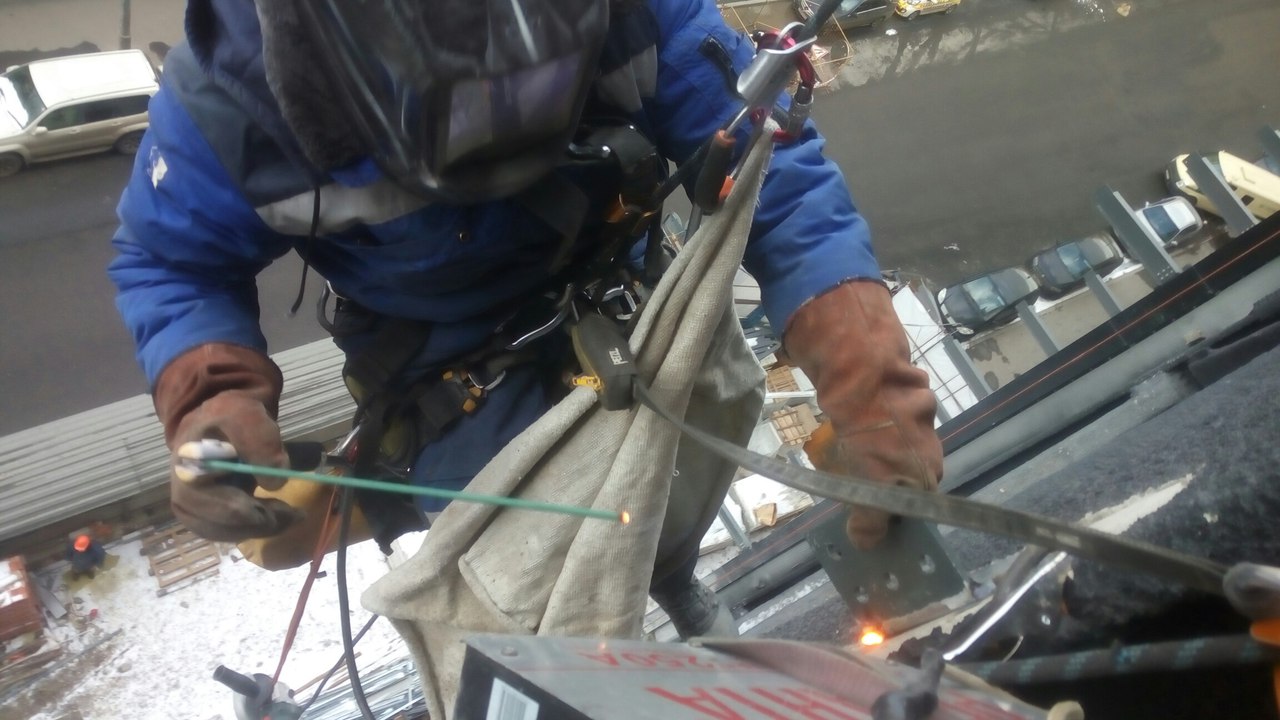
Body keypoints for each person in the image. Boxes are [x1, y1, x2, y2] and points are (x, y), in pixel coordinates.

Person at [108, 0, 942, 638]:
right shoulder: (235, 109)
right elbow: (171, 261)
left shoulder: (633, 11)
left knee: (678, 478)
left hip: (625, 289)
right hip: (453, 373)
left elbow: (773, 168)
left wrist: (867, 377)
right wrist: (211, 396)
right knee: (541, 601)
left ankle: (676, 576)